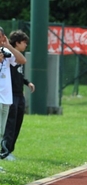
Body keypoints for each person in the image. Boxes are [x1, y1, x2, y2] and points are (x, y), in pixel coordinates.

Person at [2, 30, 35, 161]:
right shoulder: (6, 54)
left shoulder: (16, 56)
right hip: (10, 95)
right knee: (9, 124)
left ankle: (9, 150)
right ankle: (5, 151)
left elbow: (19, 74)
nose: (26, 45)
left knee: (17, 123)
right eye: (24, 43)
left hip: (19, 95)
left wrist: (27, 82)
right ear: (17, 43)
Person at [0, 27, 27, 168]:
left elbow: (22, 60)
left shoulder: (6, 53)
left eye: (1, 36)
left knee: (2, 131)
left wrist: (8, 46)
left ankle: (4, 154)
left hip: (7, 98)